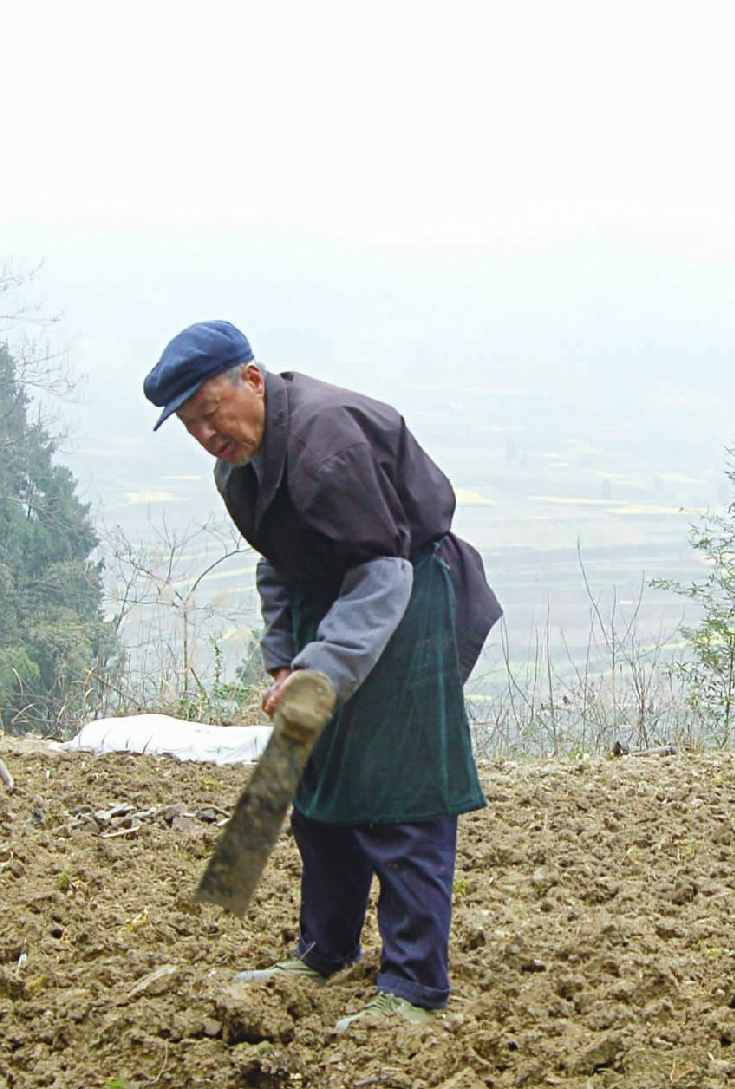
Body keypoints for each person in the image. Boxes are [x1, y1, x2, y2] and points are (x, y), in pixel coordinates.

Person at [143, 320, 501, 1030]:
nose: (208, 435)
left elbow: (382, 572)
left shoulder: (325, 444)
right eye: (192, 426)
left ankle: (413, 986)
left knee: (399, 790)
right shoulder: (238, 469)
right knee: (313, 783)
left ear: (251, 379)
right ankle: (324, 948)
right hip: (336, 594)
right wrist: (286, 659)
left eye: (212, 414)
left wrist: (322, 667)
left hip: (406, 591)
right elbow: (278, 563)